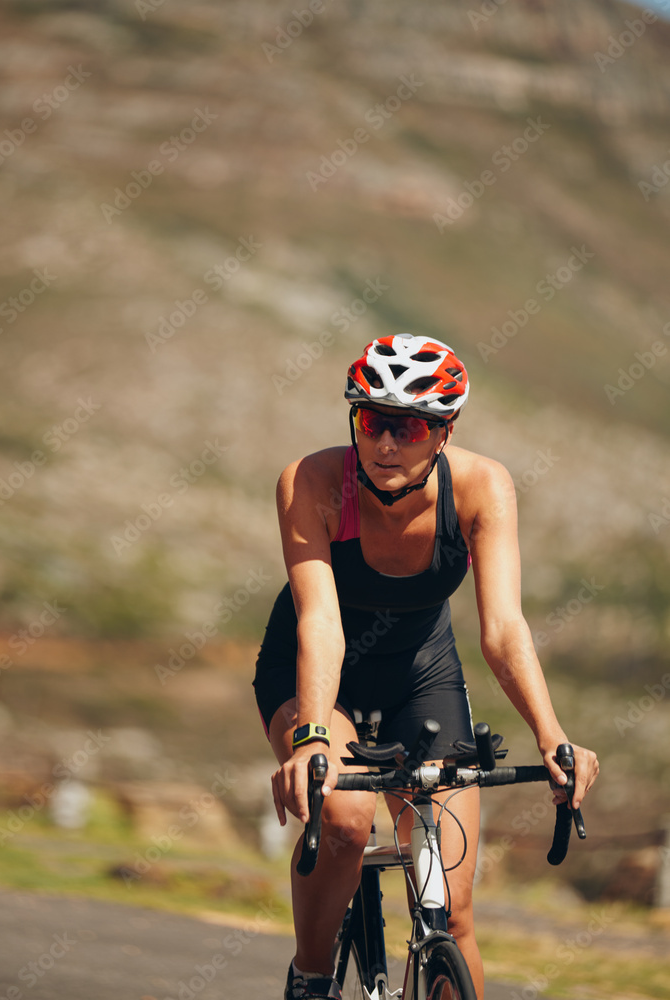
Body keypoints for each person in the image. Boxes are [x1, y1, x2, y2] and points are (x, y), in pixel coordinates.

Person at [253, 334, 599, 1000]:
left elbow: (502, 630)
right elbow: (319, 621)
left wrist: (552, 737)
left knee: (453, 906)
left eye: (407, 427)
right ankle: (313, 977)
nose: (385, 443)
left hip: (421, 672)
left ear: (444, 431)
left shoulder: (480, 487)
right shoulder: (313, 482)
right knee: (348, 819)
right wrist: (312, 739)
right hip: (318, 667)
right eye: (371, 421)